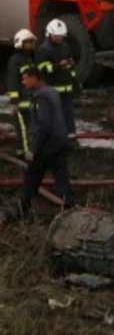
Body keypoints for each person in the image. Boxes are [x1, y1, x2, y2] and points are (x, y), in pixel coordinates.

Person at [4, 67, 75, 223]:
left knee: (30, 178)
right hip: (60, 142)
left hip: (46, 147)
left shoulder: (41, 96)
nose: (23, 82)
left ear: (34, 78)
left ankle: (19, 214)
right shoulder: (51, 92)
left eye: (25, 78)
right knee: (61, 177)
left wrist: (34, 150)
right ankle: (71, 210)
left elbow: (44, 125)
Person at [35, 18, 78, 141]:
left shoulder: (64, 47)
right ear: (49, 34)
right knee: (55, 115)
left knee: (68, 114)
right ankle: (56, 138)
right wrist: (59, 65)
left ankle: (71, 136)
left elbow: (71, 66)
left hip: (66, 88)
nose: (59, 38)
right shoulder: (44, 49)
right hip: (53, 89)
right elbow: (42, 69)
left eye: (61, 36)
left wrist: (75, 82)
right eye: (57, 36)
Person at [8, 29, 37, 157]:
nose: (30, 45)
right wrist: (14, 101)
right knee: (24, 129)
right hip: (20, 101)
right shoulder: (15, 60)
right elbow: (13, 81)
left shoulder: (29, 59)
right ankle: (27, 152)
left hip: (29, 98)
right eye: (27, 42)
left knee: (27, 127)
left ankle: (20, 150)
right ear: (20, 43)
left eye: (31, 42)